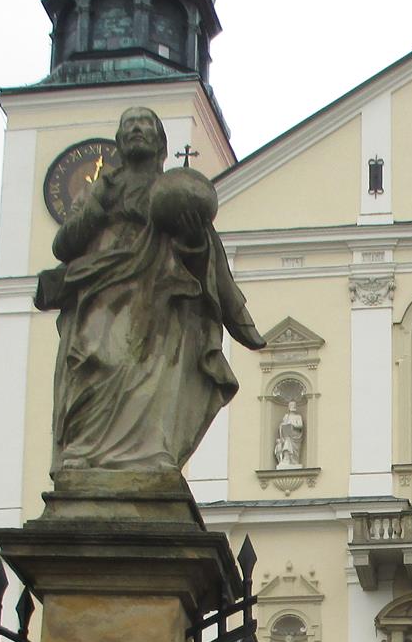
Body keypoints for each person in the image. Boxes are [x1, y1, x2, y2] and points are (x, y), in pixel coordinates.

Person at [39, 104, 264, 476]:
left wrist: (192, 237)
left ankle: (150, 451)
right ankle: (84, 451)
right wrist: (96, 208)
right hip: (100, 294)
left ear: (161, 143)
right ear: (119, 141)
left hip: (158, 298)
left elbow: (205, 262)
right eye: (129, 124)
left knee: (152, 372)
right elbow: (63, 245)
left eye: (145, 124)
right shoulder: (100, 191)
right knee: (94, 360)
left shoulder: (175, 192)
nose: (136, 129)